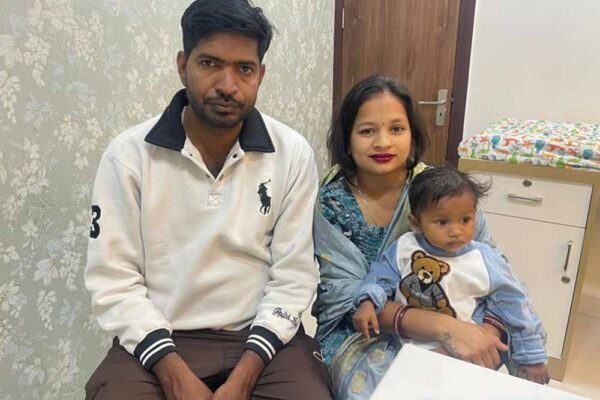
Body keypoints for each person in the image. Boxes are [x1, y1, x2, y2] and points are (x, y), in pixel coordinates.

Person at [84, 1, 331, 399]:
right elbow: (114, 280)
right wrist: (173, 374)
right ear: (183, 66)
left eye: (244, 69)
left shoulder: (292, 153)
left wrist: (244, 377)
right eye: (210, 63)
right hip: (162, 338)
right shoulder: (128, 156)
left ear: (260, 74)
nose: (227, 85)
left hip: (262, 340)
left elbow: (294, 275)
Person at [312, 75, 513, 399]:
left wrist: (481, 334)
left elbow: (492, 270)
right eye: (367, 131)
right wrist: (445, 329)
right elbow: (345, 298)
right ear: (347, 139)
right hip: (362, 332)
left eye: (396, 129)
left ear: (413, 135)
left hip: (459, 315)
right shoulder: (333, 202)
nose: (383, 142)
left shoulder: (441, 192)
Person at [353, 165, 549, 385]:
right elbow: (380, 276)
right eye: (442, 222)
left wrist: (532, 357)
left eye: (465, 220)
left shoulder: (484, 258)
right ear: (416, 223)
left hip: (460, 351)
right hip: (404, 344)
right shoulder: (405, 246)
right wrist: (368, 302)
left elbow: (516, 304)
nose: (456, 231)